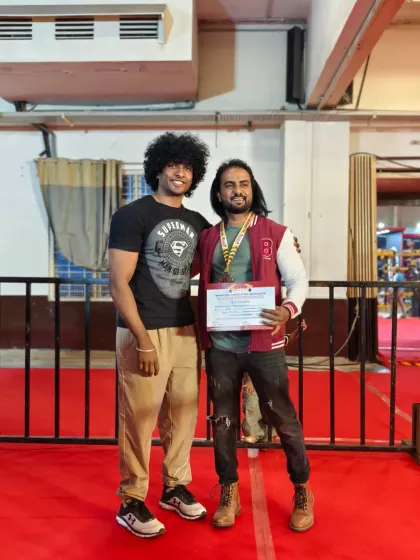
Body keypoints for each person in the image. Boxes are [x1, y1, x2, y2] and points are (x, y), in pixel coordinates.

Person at [197, 159, 314, 532]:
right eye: (229, 185)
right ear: (219, 194)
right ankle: (228, 491)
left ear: (252, 189)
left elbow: (298, 279)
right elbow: (191, 276)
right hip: (220, 345)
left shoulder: (275, 233)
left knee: (282, 418)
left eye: (244, 184)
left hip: (264, 343)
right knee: (223, 421)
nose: (237, 190)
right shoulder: (208, 237)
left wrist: (288, 309)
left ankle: (302, 489)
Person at [108, 132, 211, 538]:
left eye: (187, 167)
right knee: (139, 417)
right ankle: (131, 500)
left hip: (185, 329)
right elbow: (118, 283)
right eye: (173, 165)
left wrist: (283, 249)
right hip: (144, 330)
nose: (180, 172)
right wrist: (143, 340)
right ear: (158, 169)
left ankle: (174, 487)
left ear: (194, 174)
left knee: (183, 413)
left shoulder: (198, 223)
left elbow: (216, 261)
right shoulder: (132, 215)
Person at [242, 320, 308, 444]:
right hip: (255, 371)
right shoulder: (255, 331)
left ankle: (268, 435)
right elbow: (250, 353)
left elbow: (286, 340)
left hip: (273, 372)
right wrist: (250, 379)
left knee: (272, 403)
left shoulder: (275, 333)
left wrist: (298, 331)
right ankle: (253, 434)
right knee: (252, 403)